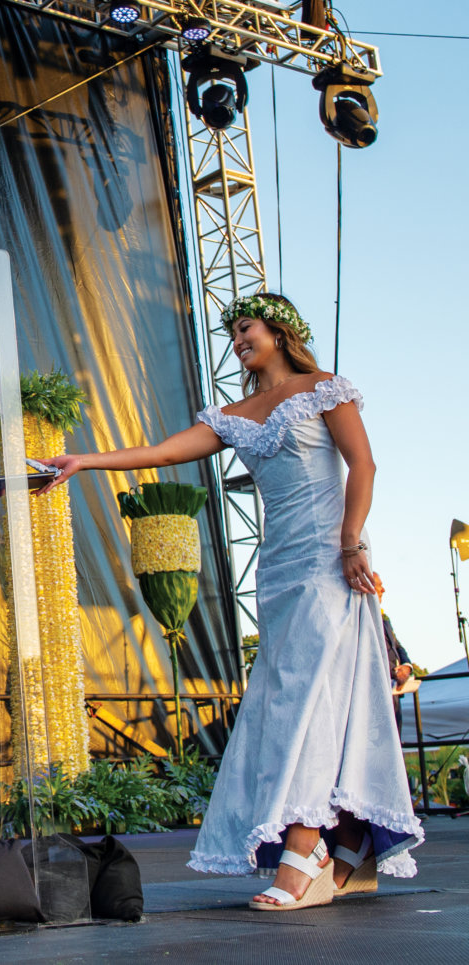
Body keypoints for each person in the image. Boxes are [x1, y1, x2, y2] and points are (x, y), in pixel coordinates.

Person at [40, 293, 422, 910]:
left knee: (309, 699)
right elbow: (163, 453)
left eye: (246, 327)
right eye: (234, 333)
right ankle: (349, 841)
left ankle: (308, 851)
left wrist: (352, 544)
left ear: (280, 329)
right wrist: (86, 461)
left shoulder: (326, 388)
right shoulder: (234, 414)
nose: (239, 339)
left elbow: (364, 465)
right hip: (278, 570)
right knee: (289, 700)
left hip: (330, 561)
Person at [372, 572, 415, 731]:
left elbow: (397, 646)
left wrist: (406, 666)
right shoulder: (361, 618)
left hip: (394, 692)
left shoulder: (385, 619)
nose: (383, 590)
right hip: (377, 691)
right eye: (379, 584)